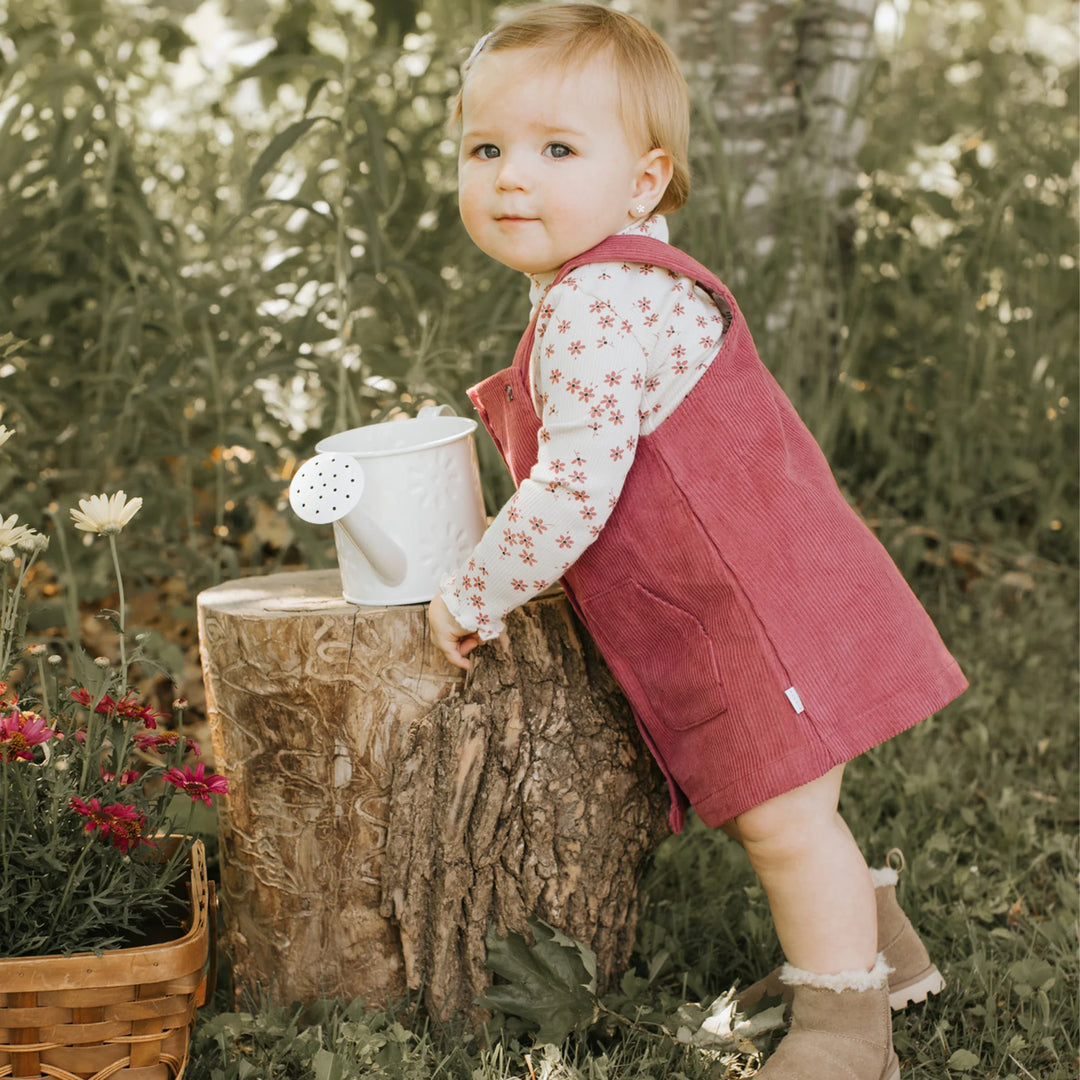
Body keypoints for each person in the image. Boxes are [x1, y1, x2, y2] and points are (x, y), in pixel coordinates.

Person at [426, 5, 967, 1077]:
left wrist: (478, 587)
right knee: (783, 809)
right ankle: (877, 951)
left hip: (749, 615)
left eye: (556, 150)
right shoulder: (623, 279)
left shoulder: (590, 308)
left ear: (641, 183)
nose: (511, 179)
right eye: (486, 149)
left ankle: (846, 1028)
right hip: (752, 594)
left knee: (787, 825)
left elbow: (573, 489)